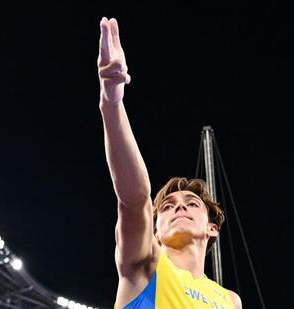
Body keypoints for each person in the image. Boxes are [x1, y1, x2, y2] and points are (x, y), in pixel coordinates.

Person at [97, 17, 242, 309]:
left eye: (191, 203)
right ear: (156, 230)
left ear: (212, 228)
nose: (178, 207)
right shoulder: (146, 265)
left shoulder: (230, 301)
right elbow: (134, 199)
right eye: (166, 206)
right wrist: (111, 103)